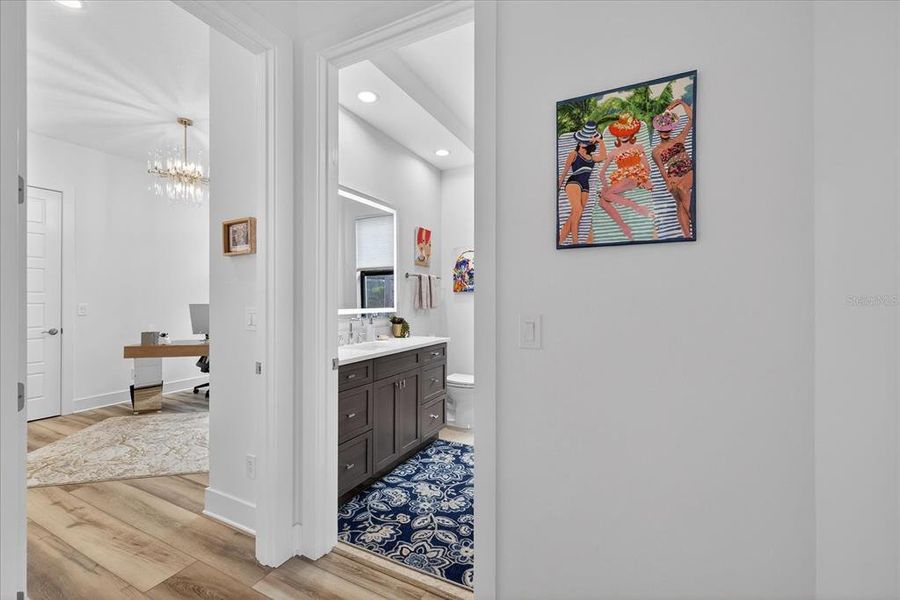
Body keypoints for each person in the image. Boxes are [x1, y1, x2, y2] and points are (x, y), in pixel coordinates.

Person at [597, 113, 655, 241]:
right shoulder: (613, 152)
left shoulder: (638, 147)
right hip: (620, 180)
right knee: (602, 201)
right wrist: (607, 188)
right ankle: (624, 226)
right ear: (617, 134)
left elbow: (647, 168)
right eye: (621, 132)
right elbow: (601, 174)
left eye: (627, 131)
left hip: (634, 177)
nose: (623, 135)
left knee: (606, 195)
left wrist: (645, 180)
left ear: (632, 133)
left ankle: (637, 208)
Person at [652, 99, 695, 238]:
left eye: (667, 129)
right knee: (680, 204)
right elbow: (661, 169)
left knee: (683, 189)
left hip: (688, 169)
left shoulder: (679, 139)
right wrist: (667, 181)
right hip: (673, 175)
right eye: (662, 130)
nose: (665, 132)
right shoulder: (656, 151)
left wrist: (681, 102)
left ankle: (696, 223)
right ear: (658, 130)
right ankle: (687, 236)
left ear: (671, 129)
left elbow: (692, 119)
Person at [558, 121, 606, 245]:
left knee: (575, 214)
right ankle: (575, 242)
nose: (584, 142)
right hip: (574, 182)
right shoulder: (573, 154)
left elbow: (603, 157)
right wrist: (558, 186)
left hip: (585, 186)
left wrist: (600, 142)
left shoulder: (592, 157)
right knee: (578, 210)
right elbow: (564, 172)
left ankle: (561, 239)